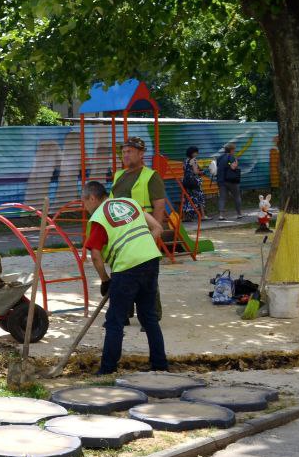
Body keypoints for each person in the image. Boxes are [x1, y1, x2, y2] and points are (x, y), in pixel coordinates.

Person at [80, 181, 168, 375]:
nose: (84, 207)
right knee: (149, 316)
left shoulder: (99, 218)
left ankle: (108, 369)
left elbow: (95, 256)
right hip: (151, 260)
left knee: (115, 320)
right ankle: (160, 365)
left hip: (127, 268)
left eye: (84, 202)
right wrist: (142, 247)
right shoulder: (129, 203)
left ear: (92, 198)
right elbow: (157, 228)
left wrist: (105, 280)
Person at [109, 135, 165, 322]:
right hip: (121, 233)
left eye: (129, 151)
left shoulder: (151, 176)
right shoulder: (118, 175)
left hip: (143, 231)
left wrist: (154, 234)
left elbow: (159, 205)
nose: (125, 155)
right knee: (121, 272)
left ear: (141, 154)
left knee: (146, 274)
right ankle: (124, 312)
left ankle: (151, 315)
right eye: (123, 152)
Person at [216, 142, 243, 220]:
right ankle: (239, 214)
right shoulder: (231, 157)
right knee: (237, 196)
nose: (234, 151)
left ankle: (221, 215)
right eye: (234, 149)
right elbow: (233, 167)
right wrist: (236, 163)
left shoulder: (220, 158)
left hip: (221, 180)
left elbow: (220, 166)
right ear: (231, 150)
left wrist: (228, 164)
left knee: (222, 198)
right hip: (231, 180)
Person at [181, 146, 207, 221]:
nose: (197, 154)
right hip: (194, 182)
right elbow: (195, 172)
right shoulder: (194, 160)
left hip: (186, 181)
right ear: (192, 153)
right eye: (196, 152)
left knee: (188, 198)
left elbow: (186, 170)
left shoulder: (185, 161)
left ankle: (187, 217)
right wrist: (202, 172)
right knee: (199, 197)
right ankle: (203, 215)